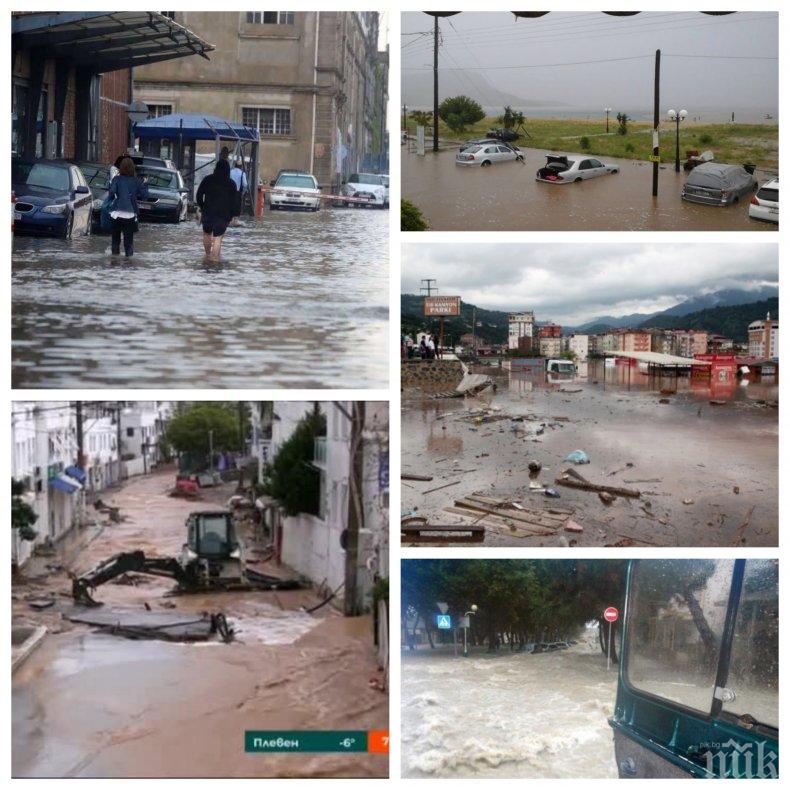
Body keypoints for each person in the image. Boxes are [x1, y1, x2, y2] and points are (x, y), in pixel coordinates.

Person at [196, 158, 240, 262]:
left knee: (207, 233)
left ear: (216, 168)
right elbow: (235, 201)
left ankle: (207, 256)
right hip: (223, 213)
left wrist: (202, 206)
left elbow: (199, 195)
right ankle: (215, 259)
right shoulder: (231, 183)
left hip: (208, 211)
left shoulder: (207, 179)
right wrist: (233, 214)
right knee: (218, 237)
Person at [108, 156, 148, 257]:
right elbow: (145, 196)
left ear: (121, 168)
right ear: (132, 168)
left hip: (116, 214)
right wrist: (145, 184)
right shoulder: (137, 181)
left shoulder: (117, 179)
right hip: (130, 215)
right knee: (128, 243)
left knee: (115, 242)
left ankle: (114, 262)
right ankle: (128, 263)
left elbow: (111, 193)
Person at [229, 159, 248, 224]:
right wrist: (243, 193)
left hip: (230, 192)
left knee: (230, 205)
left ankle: (230, 220)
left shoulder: (230, 172)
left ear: (235, 165)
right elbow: (245, 184)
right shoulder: (242, 173)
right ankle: (236, 220)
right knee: (237, 206)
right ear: (241, 166)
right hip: (238, 192)